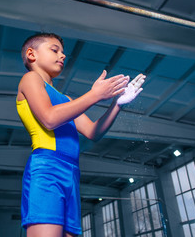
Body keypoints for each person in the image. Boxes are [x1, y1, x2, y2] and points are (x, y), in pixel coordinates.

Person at [16, 33, 145, 237]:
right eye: (54, 49)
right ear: (32, 54)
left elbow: (93, 132)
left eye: (63, 52)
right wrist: (95, 95)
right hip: (47, 169)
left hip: (72, 173)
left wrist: (117, 105)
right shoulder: (30, 79)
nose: (63, 55)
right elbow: (49, 119)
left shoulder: (66, 99)